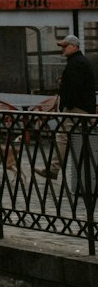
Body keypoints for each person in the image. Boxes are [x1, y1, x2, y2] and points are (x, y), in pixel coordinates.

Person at [55, 35, 97, 196]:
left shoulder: (75, 64)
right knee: (79, 141)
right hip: (83, 108)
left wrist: (67, 106)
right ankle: (83, 177)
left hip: (76, 109)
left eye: (65, 46)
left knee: (63, 137)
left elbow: (74, 87)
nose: (62, 49)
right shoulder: (80, 62)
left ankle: (54, 167)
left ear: (74, 46)